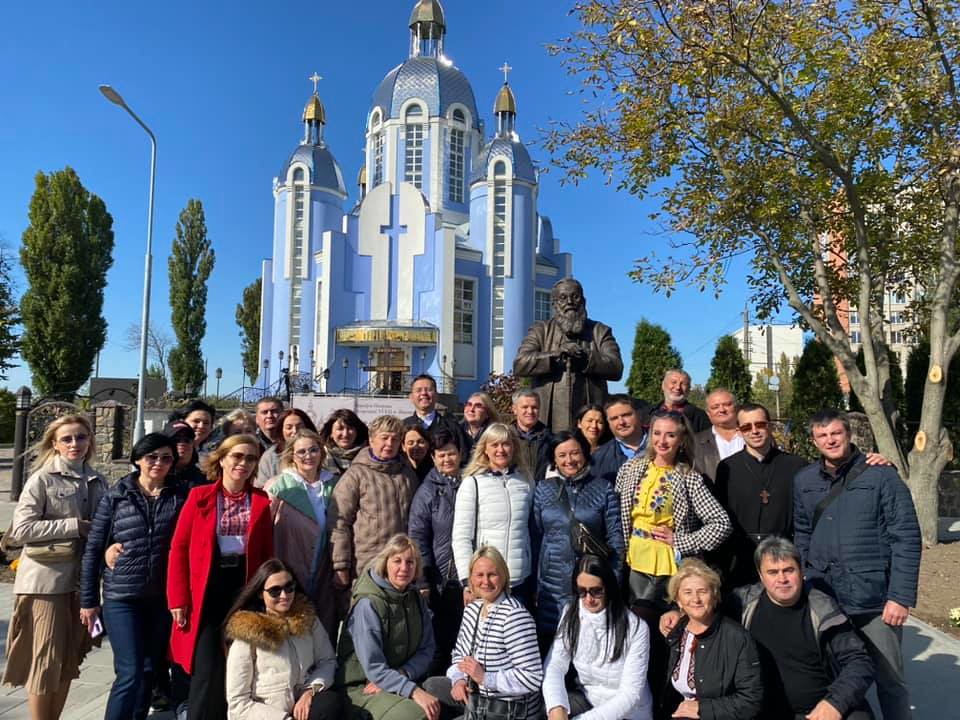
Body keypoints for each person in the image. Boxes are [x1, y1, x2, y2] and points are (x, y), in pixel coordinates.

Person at [794, 410, 921, 720]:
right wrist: (808, 579)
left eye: (836, 433)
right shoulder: (804, 480)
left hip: (875, 600)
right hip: (827, 598)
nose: (830, 440)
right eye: (822, 436)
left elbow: (906, 536)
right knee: (837, 680)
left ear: (848, 434)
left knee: (889, 681)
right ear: (814, 441)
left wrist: (900, 597)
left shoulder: (881, 475)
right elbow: (802, 533)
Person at [3, 415, 107, 720]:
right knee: (45, 660)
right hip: (45, 584)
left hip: (81, 584)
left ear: (90, 441)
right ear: (55, 444)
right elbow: (21, 530)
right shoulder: (42, 479)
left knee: (69, 659)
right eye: (67, 439)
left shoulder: (98, 480)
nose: (75, 444)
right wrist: (75, 526)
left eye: (81, 437)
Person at [79, 433, 187, 720]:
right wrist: (89, 601)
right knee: (130, 670)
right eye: (152, 457)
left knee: (151, 669)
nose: (159, 463)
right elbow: (93, 550)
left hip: (161, 598)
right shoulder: (116, 497)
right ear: (137, 460)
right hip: (122, 598)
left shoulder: (182, 496)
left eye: (166, 458)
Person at [167, 434, 274, 720]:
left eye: (251, 458)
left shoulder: (262, 500)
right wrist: (178, 599)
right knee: (206, 665)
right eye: (237, 456)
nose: (243, 463)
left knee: (238, 665)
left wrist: (265, 597)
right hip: (206, 587)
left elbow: (266, 554)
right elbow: (178, 548)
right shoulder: (199, 496)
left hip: (243, 586)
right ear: (223, 459)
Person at [615, 412, 732, 611]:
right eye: (657, 433)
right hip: (632, 559)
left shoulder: (689, 478)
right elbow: (616, 513)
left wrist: (681, 540)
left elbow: (721, 524)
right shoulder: (630, 469)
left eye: (670, 435)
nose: (662, 441)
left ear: (681, 440)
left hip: (667, 563)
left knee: (657, 619)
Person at [424, 546, 543, 720]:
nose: (485, 582)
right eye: (479, 575)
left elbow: (532, 677)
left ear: (503, 577)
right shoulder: (472, 610)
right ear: (471, 578)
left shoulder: (515, 617)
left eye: (492, 575)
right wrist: (459, 680)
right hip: (478, 701)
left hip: (509, 711)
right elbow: (459, 656)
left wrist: (485, 678)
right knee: (429, 688)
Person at [532, 431, 623, 650]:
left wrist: (613, 580)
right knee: (552, 646)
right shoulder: (543, 490)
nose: (569, 460)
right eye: (562, 455)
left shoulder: (603, 488)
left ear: (585, 453)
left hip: (590, 582)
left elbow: (615, 538)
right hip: (551, 584)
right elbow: (535, 537)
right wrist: (535, 584)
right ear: (554, 459)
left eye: (575, 453)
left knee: (589, 644)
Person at [336, 534, 440, 720]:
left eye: (410, 562)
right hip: (362, 688)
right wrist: (413, 691)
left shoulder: (416, 599)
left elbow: (428, 648)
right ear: (385, 564)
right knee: (417, 715)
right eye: (397, 561)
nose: (404, 568)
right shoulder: (368, 605)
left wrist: (403, 673)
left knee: (446, 700)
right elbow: (374, 668)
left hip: (401, 679)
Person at [224, 559, 341, 720]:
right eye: (274, 591)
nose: (284, 596)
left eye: (289, 587)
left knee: (330, 704)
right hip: (269, 715)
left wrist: (310, 691)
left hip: (302, 708)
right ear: (260, 593)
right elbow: (238, 703)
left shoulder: (308, 620)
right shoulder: (248, 634)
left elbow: (327, 660)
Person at [542, 555, 653, 720]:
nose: (588, 599)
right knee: (545, 708)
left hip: (628, 713)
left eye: (596, 591)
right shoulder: (570, 613)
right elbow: (555, 665)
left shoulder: (636, 628)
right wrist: (556, 707)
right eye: (582, 591)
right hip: (588, 699)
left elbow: (630, 694)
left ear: (608, 588)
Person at [513, 277, 624, 434]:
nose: (570, 302)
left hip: (591, 423)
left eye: (575, 296)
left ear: (583, 301)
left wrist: (586, 358)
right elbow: (520, 364)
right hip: (547, 422)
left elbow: (616, 367)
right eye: (563, 298)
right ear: (555, 304)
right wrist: (556, 355)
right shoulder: (540, 330)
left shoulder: (599, 331)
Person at [712, 403, 806, 588]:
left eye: (760, 424)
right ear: (739, 431)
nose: (754, 431)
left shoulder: (796, 465)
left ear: (770, 426)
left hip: (783, 559)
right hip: (740, 560)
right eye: (747, 427)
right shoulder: (728, 468)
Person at [660, 560, 763, 720]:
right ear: (678, 600)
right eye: (687, 592)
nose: (695, 599)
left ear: (715, 597)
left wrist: (702, 709)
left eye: (702, 591)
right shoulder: (674, 633)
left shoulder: (737, 637)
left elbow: (751, 700)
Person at [264, 428, 340, 639]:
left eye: (314, 450)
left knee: (322, 631)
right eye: (302, 452)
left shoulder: (335, 484)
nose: (308, 456)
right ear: (292, 455)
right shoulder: (278, 486)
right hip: (289, 567)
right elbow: (263, 528)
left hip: (324, 568)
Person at [328, 415, 420, 589]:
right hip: (366, 564)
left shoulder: (407, 474)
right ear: (371, 440)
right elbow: (338, 522)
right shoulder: (356, 475)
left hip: (401, 566)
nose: (389, 444)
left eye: (395, 439)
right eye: (384, 438)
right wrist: (340, 565)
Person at [451, 423, 535, 602]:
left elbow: (531, 530)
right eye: (494, 445)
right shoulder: (473, 483)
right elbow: (461, 536)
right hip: (486, 580)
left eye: (506, 444)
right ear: (485, 449)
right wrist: (468, 581)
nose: (501, 450)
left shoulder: (526, 481)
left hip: (520, 579)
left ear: (513, 447)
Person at [407, 429, 465, 672]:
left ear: (460, 454)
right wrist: (423, 579)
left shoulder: (471, 482)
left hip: (470, 572)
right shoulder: (427, 492)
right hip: (442, 576)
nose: (447, 460)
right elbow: (418, 536)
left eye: (451, 454)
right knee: (444, 636)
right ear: (433, 457)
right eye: (441, 455)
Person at [592, 394, 649, 484]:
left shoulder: (664, 446)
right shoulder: (598, 458)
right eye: (614, 418)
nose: (621, 422)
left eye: (626, 415)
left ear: (639, 414)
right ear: (608, 423)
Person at [692, 389, 743, 484]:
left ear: (736, 408)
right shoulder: (696, 442)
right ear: (708, 413)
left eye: (727, 405)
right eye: (715, 407)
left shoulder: (752, 436)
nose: (722, 410)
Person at [257, 408, 317, 486]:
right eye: (289, 428)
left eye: (300, 427)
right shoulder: (270, 457)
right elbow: (261, 488)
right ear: (281, 430)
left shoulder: (322, 452)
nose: (295, 431)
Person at [404, 374, 465, 450]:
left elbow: (462, 456)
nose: (424, 393)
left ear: (436, 396)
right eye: (418, 390)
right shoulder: (403, 427)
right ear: (411, 397)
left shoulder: (452, 427)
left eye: (429, 389)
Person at [510, 389, 552, 481]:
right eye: (525, 407)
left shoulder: (550, 439)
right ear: (514, 409)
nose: (530, 411)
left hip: (542, 492)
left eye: (534, 407)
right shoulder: (506, 438)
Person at [318, 408, 369, 479]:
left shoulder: (369, 456)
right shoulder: (320, 457)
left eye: (350, 428)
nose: (345, 434)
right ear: (331, 433)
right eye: (340, 428)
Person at [164, 421, 209, 491]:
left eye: (187, 440)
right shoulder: (155, 476)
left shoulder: (204, 480)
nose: (182, 444)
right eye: (176, 440)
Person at [460, 391, 500, 460]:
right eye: (469, 404)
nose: (471, 409)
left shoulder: (496, 435)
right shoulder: (456, 431)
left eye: (478, 406)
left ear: (487, 413)